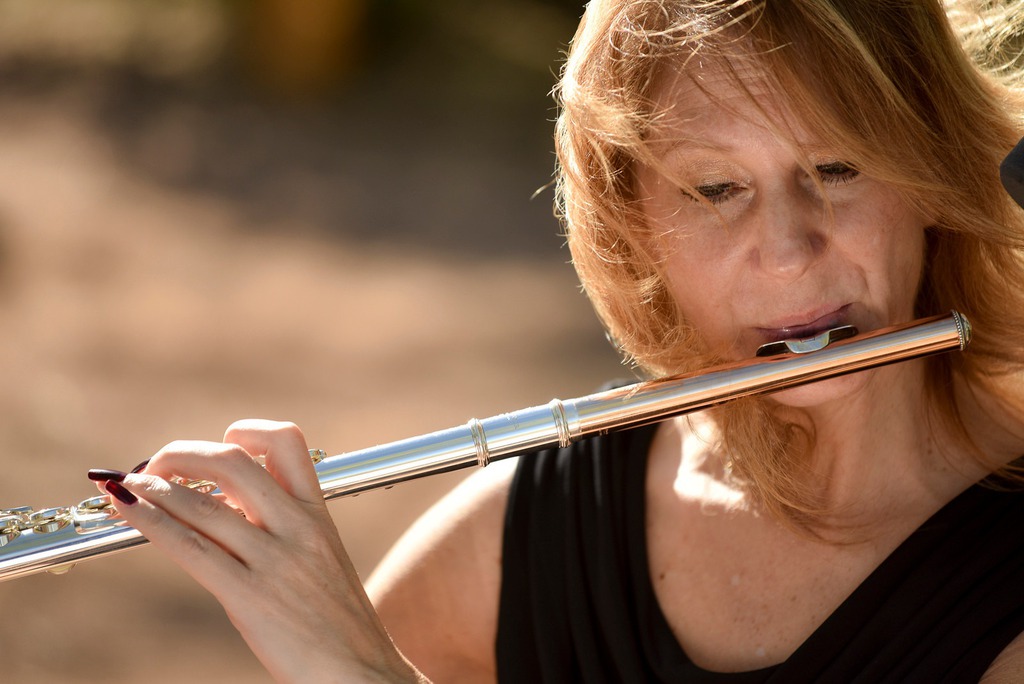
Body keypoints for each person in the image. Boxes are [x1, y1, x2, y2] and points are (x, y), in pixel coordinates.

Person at [88, 0, 1024, 681]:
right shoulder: (532, 524)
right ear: (633, 228)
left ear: (935, 175)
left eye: (837, 166)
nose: (787, 254)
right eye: (714, 188)